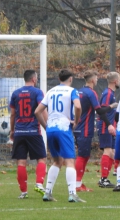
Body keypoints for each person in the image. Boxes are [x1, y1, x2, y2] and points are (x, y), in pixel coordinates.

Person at [35, 69, 86, 203]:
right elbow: (78, 106)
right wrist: (76, 121)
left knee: (57, 161)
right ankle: (72, 194)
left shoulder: (51, 92)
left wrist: (46, 127)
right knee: (70, 161)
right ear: (71, 79)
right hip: (63, 128)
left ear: (59, 79)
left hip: (51, 128)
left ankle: (47, 193)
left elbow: (37, 111)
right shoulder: (72, 91)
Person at [74, 70, 117, 192]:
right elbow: (100, 111)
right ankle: (77, 184)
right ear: (93, 80)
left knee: (85, 156)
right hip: (85, 128)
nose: (97, 80)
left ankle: (79, 183)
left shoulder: (79, 91)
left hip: (78, 127)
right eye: (96, 79)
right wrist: (111, 107)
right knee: (83, 156)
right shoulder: (91, 93)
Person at [9, 70, 47, 199]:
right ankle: (39, 184)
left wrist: (12, 130)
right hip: (33, 131)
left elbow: (13, 114)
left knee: (21, 162)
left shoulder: (15, 93)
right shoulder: (37, 92)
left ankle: (23, 192)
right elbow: (42, 109)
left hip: (19, 132)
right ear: (34, 79)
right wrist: (47, 126)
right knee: (41, 159)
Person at [97, 72, 120, 188]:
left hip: (109, 126)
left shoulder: (111, 93)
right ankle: (103, 179)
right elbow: (101, 111)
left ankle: (105, 178)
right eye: (119, 79)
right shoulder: (108, 93)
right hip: (105, 126)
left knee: (112, 152)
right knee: (108, 151)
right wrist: (108, 125)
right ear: (115, 81)